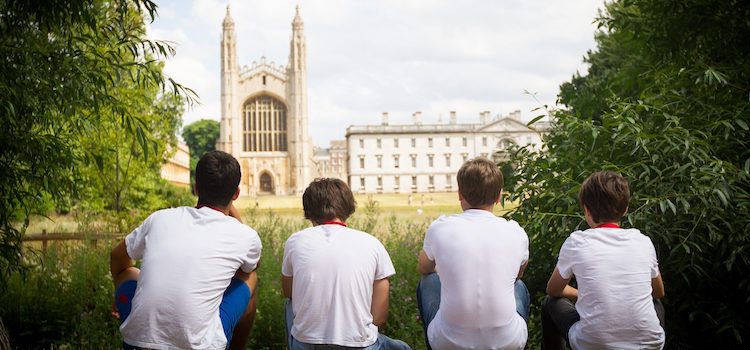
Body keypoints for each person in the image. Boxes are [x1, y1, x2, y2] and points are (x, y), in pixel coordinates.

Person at [110, 150, 262, 350]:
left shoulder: (160, 218)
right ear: (236, 194)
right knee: (250, 277)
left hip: (137, 343)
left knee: (130, 271)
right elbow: (249, 266)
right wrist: (231, 208)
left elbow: (117, 257)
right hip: (200, 346)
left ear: (196, 188)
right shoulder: (245, 236)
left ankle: (130, 309)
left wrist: (123, 295)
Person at [282, 178, 411, 350]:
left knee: (290, 304)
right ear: (348, 208)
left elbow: (288, 290)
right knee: (401, 347)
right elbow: (379, 318)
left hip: (307, 343)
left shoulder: (295, 241)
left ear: (308, 212)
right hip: (359, 344)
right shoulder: (372, 243)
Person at [542, 170, 666, 350]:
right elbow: (658, 292)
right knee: (655, 302)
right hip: (649, 345)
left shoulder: (577, 242)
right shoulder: (643, 241)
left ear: (586, 210)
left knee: (550, 302)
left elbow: (553, 289)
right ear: (625, 209)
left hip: (593, 344)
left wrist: (579, 294)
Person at [416, 157, 530, 350]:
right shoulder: (516, 231)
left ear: (460, 194)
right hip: (508, 341)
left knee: (428, 282)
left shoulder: (440, 228)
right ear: (499, 196)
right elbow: (518, 275)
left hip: (448, 342)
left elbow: (424, 268)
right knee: (518, 285)